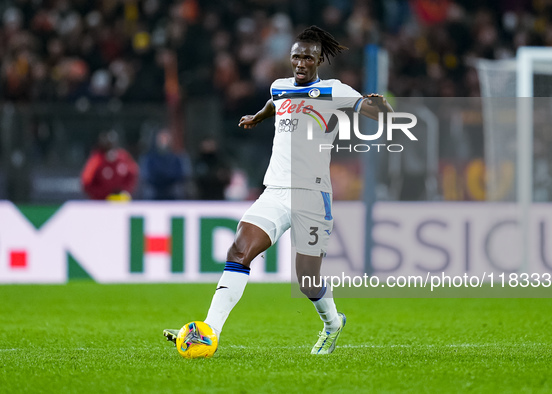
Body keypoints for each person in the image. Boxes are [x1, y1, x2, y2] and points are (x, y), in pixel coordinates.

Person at [164, 26, 392, 354]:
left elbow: (369, 111)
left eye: (307, 58)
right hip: (275, 191)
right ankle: (210, 331)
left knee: (307, 279)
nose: (300, 63)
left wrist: (381, 108)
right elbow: (276, 102)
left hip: (312, 195)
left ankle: (332, 323)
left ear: (318, 61)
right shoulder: (280, 87)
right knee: (239, 251)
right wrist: (258, 116)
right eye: (296, 57)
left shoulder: (334, 91)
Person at [81, 130, 139, 200]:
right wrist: (103, 194)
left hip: (120, 200)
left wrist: (125, 190)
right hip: (101, 202)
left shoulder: (123, 157)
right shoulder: (96, 160)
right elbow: (87, 182)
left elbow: (133, 173)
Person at [140, 128, 190, 200]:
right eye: (161, 138)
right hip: (154, 192)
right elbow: (147, 176)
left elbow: (181, 175)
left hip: (172, 191)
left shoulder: (177, 158)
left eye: (165, 138)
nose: (163, 141)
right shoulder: (149, 158)